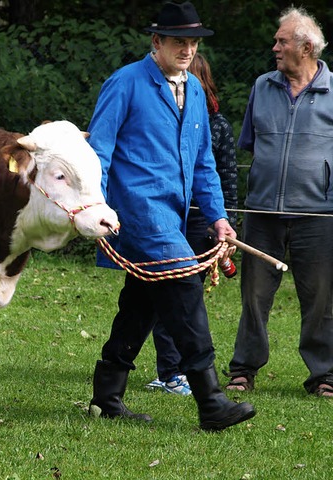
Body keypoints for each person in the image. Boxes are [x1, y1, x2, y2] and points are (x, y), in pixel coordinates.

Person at [87, 1, 255, 431]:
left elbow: (203, 165)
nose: (187, 50)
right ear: (156, 42)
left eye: (193, 43)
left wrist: (218, 218)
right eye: (179, 41)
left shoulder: (195, 90)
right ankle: (212, 401)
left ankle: (107, 395)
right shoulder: (124, 83)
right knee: (183, 289)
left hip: (174, 217)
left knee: (142, 302)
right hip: (137, 213)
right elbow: (99, 153)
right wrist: (96, 208)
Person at [224, 7, 333, 397]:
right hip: (263, 211)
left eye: (282, 41)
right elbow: (251, 146)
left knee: (320, 297)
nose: (275, 47)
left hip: (318, 215)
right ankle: (243, 369)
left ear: (306, 48)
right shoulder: (262, 86)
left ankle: (324, 375)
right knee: (253, 294)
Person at [146, 52, 238, 396]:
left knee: (160, 295)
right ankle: (190, 382)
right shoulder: (140, 96)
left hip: (199, 218)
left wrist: (222, 219)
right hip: (162, 215)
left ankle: (113, 386)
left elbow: (215, 171)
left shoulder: (215, 123)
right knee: (178, 292)